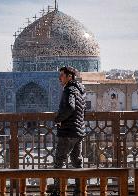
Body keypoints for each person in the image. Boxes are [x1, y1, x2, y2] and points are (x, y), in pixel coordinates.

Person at [51, 66, 86, 196]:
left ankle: (57, 191)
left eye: (62, 75)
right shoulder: (81, 90)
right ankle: (80, 190)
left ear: (69, 76)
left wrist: (58, 119)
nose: (59, 78)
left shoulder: (69, 90)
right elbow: (82, 110)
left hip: (68, 131)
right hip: (78, 131)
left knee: (59, 161)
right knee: (77, 162)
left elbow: (70, 107)